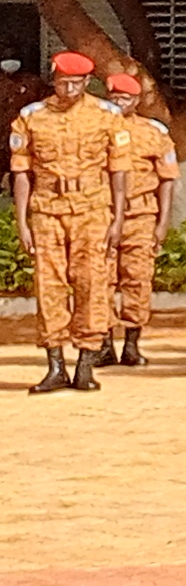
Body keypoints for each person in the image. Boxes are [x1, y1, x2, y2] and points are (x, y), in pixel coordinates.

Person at [10, 50, 128, 391]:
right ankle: (55, 365)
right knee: (49, 285)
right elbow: (21, 174)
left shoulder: (107, 116)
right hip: (47, 210)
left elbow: (118, 172)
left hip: (92, 210)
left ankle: (86, 364)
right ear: (54, 80)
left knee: (92, 283)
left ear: (87, 82)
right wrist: (23, 222)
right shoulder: (32, 117)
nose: (70, 89)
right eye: (64, 83)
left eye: (76, 83)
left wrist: (118, 219)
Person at [101, 67, 174, 364]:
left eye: (127, 98)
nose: (121, 102)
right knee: (100, 278)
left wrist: (163, 222)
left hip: (141, 214)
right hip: (101, 213)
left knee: (138, 278)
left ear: (137, 100)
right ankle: (103, 343)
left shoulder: (153, 132)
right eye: (115, 97)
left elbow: (167, 178)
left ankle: (132, 343)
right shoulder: (96, 129)